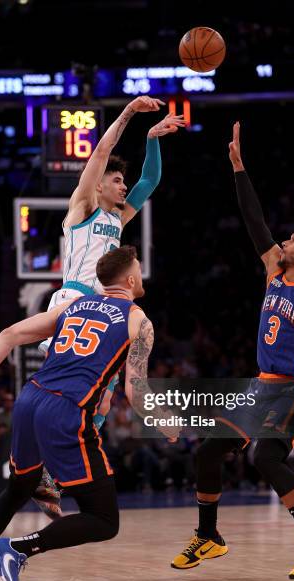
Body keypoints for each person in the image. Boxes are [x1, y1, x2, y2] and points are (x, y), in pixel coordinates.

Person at [172, 121, 294, 579]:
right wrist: (238, 166)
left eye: (293, 240)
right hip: (261, 386)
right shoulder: (274, 272)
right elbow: (253, 220)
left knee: (264, 458)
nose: (284, 242)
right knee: (208, 453)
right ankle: (209, 537)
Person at [0, 246, 177, 581]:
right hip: (65, 410)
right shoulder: (137, 319)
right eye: (140, 269)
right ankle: (15, 550)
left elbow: (10, 333)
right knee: (103, 519)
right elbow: (135, 389)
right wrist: (164, 422)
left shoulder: (75, 305)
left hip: (30, 400)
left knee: (18, 490)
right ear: (131, 279)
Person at [32, 96, 185, 516]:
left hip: (103, 307)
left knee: (102, 398)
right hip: (74, 298)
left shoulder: (117, 219)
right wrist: (131, 113)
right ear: (99, 184)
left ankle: (53, 477)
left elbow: (150, 181)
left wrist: (152, 138)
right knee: (65, 393)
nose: (123, 185)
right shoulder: (81, 207)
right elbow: (100, 153)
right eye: (117, 180)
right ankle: (38, 465)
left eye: (122, 181)